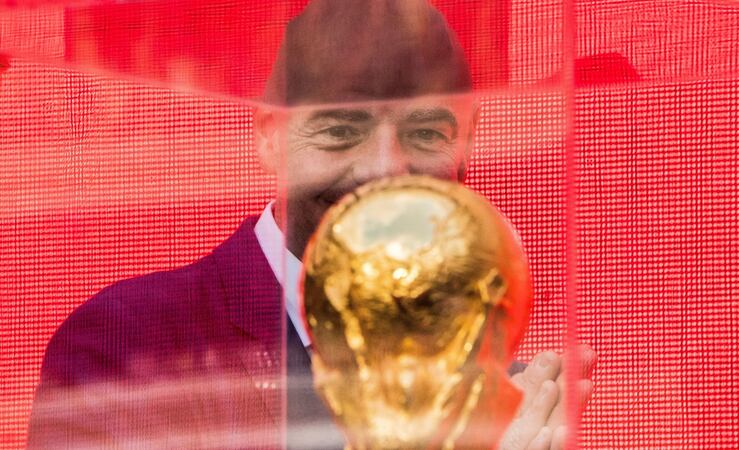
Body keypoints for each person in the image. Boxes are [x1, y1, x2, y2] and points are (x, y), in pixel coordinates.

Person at [28, 0, 595, 449]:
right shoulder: (131, 346)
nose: (383, 171)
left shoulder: (507, 406)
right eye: (340, 131)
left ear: (465, 149)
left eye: (425, 133)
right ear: (270, 137)